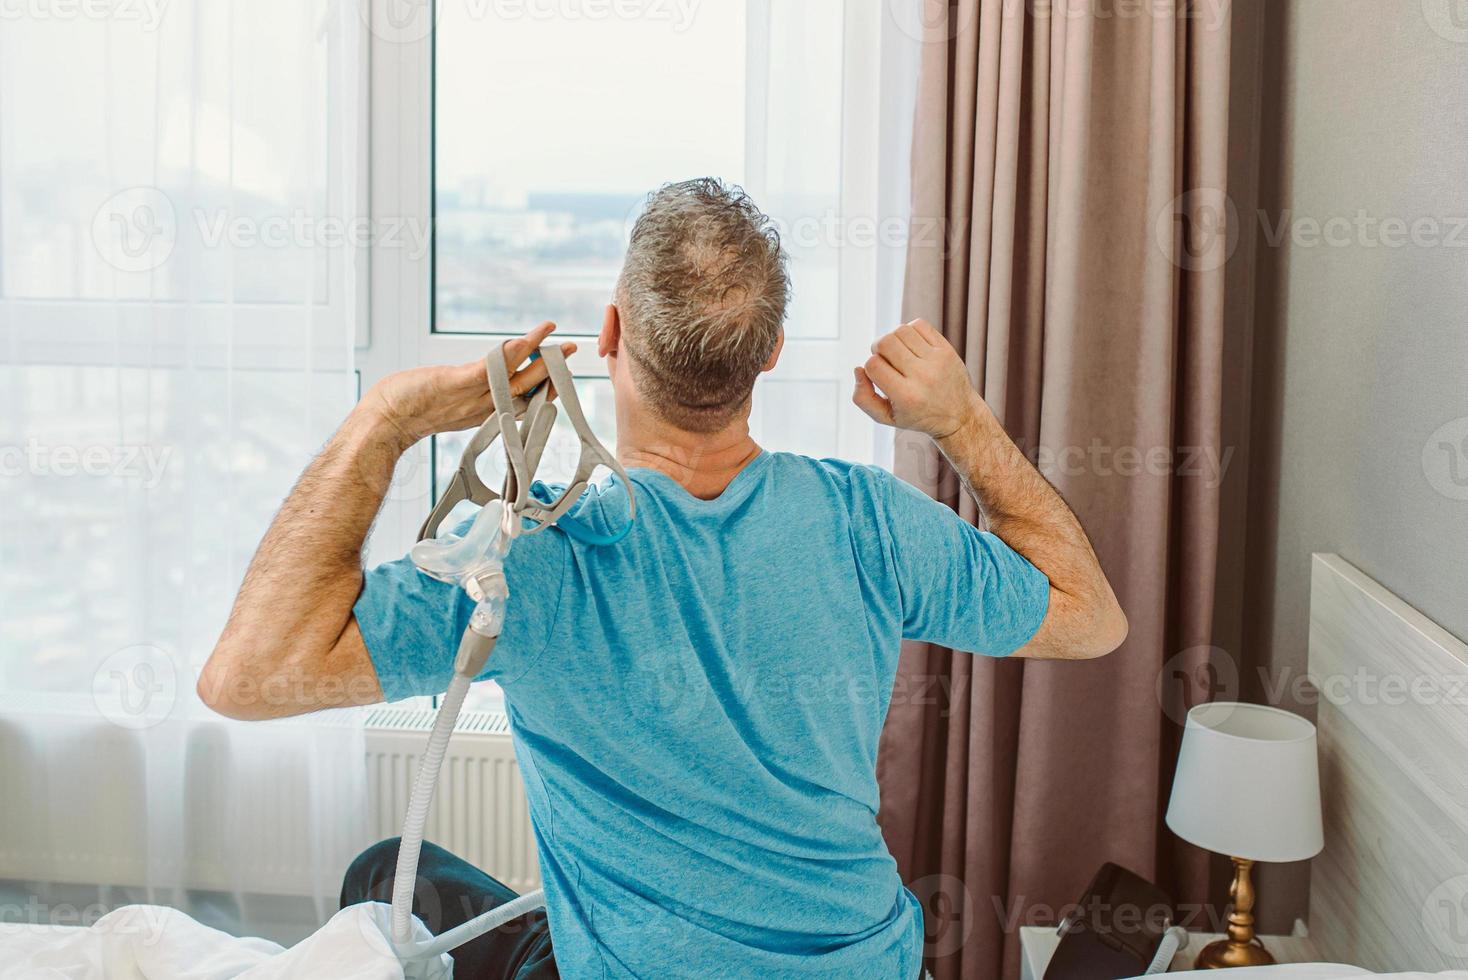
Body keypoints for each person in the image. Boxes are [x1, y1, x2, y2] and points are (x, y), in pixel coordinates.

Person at [198, 178, 1127, 979]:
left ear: (609, 332)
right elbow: (1092, 619)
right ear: (770, 352)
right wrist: (960, 420)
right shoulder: (868, 522)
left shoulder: (530, 557)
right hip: (868, 963)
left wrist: (388, 416)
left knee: (379, 874)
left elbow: (243, 678)